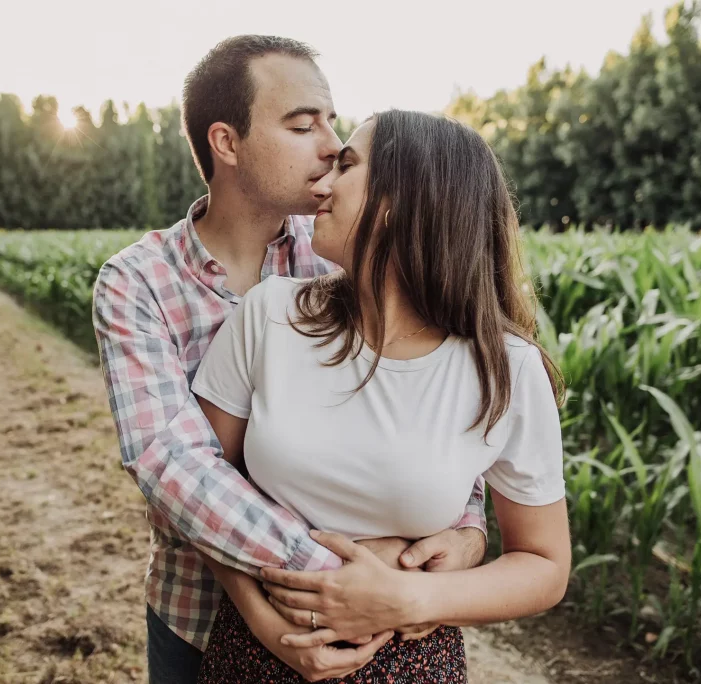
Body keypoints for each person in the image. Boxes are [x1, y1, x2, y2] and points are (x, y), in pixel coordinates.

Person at [92, 36, 489, 684]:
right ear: (226, 143)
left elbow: (432, 394)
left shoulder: (342, 246)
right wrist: (334, 575)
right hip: (200, 613)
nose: (331, 145)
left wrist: (467, 529)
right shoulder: (137, 283)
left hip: (369, 617)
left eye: (333, 122)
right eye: (304, 124)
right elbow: (174, 463)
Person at [189, 110, 572, 683]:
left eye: (346, 165)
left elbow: (545, 565)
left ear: (400, 199)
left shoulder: (506, 369)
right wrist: (264, 616)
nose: (321, 183)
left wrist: (407, 598)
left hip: (409, 661)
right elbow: (203, 490)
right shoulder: (270, 314)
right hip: (256, 651)